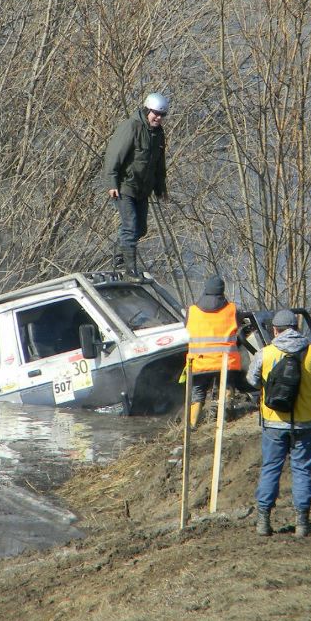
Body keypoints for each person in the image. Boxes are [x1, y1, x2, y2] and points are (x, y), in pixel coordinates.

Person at [246, 309, 311, 539]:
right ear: (297, 328)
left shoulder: (266, 353)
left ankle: (263, 521)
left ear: (275, 330)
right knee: (302, 469)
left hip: (273, 422)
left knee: (271, 468)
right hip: (306, 423)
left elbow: (252, 381)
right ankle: (302, 522)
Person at [102, 93, 169, 278]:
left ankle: (118, 255)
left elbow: (159, 163)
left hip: (142, 189)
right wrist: (111, 182)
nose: (159, 118)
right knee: (130, 226)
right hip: (124, 185)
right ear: (148, 110)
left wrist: (160, 187)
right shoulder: (131, 126)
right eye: (156, 113)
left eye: (162, 115)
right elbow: (113, 155)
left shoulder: (158, 134)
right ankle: (130, 269)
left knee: (141, 229)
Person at [184, 275, 241, 428]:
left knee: (198, 393)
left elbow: (187, 328)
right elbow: (239, 326)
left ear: (205, 290)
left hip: (200, 361)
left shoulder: (192, 311)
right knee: (227, 387)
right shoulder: (232, 309)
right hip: (226, 361)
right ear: (222, 291)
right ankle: (225, 420)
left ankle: (192, 424)